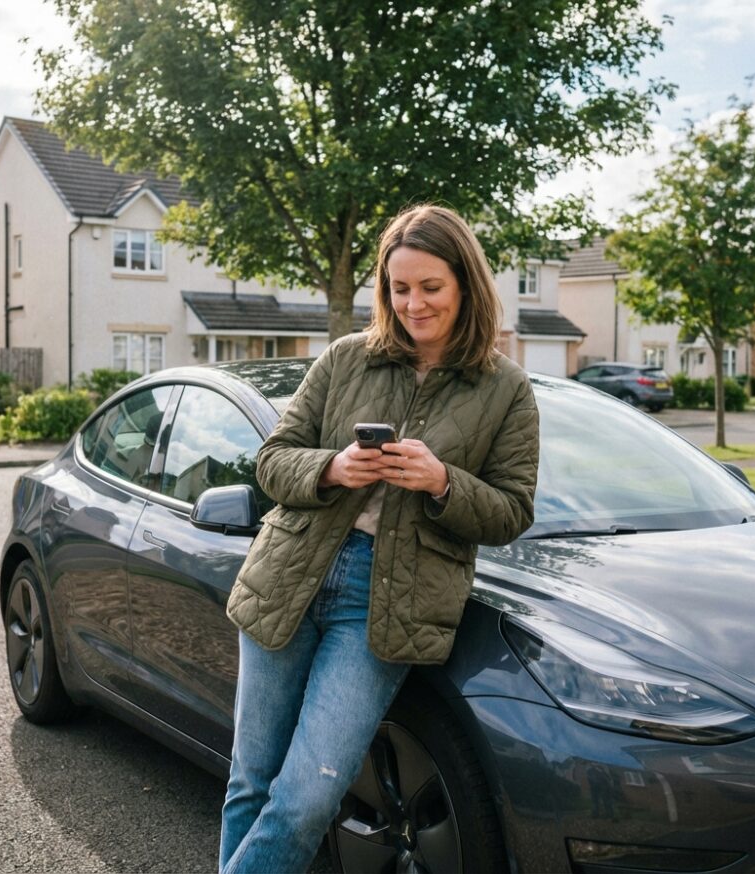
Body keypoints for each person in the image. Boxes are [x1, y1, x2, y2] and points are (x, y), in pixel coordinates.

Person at [219, 204, 540, 874]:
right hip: (290, 576)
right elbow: (273, 459)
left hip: (383, 605)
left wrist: (442, 481)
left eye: (431, 287)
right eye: (399, 288)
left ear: (465, 285)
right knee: (252, 780)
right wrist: (331, 468)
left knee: (308, 795)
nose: (413, 304)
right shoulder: (345, 360)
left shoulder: (506, 388)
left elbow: (511, 512)